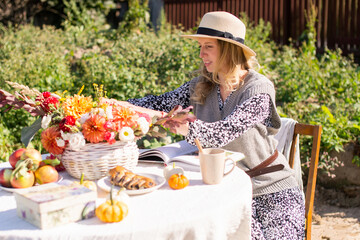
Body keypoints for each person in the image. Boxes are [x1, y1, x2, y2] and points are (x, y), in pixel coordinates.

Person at [125, 11, 305, 239]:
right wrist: (118, 105)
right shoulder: (201, 85)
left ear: (228, 49)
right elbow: (156, 102)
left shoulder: (258, 89)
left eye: (208, 46)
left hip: (270, 189)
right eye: (200, 46)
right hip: (224, 188)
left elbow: (226, 132)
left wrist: (185, 127)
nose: (201, 54)